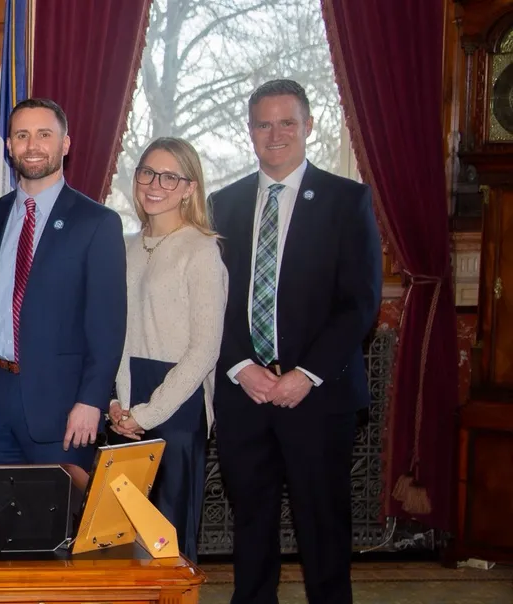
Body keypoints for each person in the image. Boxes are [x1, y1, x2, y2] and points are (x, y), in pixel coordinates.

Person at [210, 79, 381, 604]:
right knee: (252, 528)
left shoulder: (346, 200)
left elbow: (359, 303)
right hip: (245, 395)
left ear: (308, 127)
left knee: (324, 530)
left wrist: (304, 375)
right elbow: (213, 299)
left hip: (318, 397)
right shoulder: (223, 204)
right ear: (250, 132)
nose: (276, 133)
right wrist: (241, 365)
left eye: (287, 122)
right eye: (264, 123)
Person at [0, 98, 126, 471]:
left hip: (63, 409)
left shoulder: (97, 223)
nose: (33, 145)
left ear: (65, 144)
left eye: (44, 134)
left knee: (60, 526)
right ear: (9, 146)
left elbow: (107, 326)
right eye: (22, 135)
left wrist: (91, 401)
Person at [106, 137, 227, 563]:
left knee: (166, 544)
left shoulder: (202, 251)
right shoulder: (126, 246)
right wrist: (118, 405)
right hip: (124, 401)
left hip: (176, 406)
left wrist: (147, 414)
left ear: (190, 187)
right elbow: (116, 332)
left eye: (170, 176)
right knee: (120, 540)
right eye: (147, 172)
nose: (155, 184)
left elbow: (204, 351)